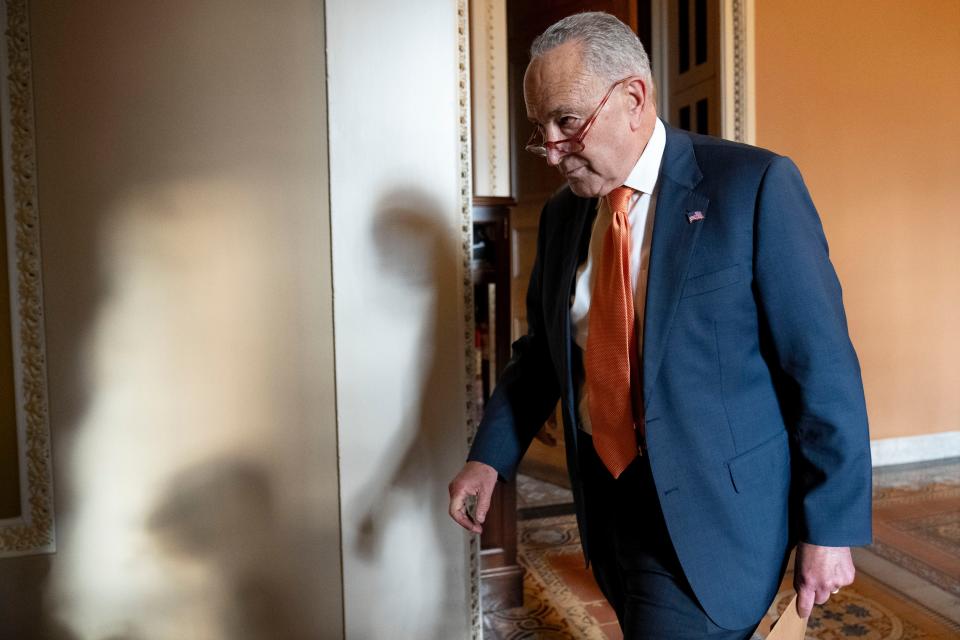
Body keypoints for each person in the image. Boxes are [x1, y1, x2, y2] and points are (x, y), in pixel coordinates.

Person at [448, 11, 871, 639]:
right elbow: (543, 352)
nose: (553, 151)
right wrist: (490, 458)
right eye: (542, 130)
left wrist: (830, 529)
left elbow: (821, 366)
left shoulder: (752, 187)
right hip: (609, 500)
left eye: (567, 122)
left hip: (715, 511)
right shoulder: (568, 217)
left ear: (633, 99)